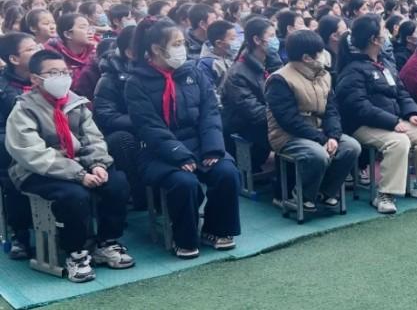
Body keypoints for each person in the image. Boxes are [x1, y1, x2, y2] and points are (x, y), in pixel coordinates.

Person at [6, 50, 134, 282]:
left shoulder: (76, 103)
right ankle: (76, 253)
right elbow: (33, 154)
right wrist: (79, 174)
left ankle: (107, 242)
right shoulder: (24, 109)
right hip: (37, 171)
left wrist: (98, 164)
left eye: (64, 72)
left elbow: (93, 138)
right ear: (35, 79)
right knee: (74, 196)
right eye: (53, 73)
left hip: (79, 163)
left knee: (117, 183)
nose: (61, 78)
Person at [126, 18, 241, 258]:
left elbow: (210, 112)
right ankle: (185, 239)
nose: (182, 49)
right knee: (184, 182)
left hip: (199, 144)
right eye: (176, 44)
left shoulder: (194, 72)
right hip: (158, 152)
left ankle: (216, 229)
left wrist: (212, 148)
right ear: (157, 49)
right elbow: (148, 126)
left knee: (227, 172)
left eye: (182, 43)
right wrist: (178, 154)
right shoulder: (136, 82)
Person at [337, 15, 417, 214]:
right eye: (383, 30)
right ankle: (384, 194)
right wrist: (393, 121)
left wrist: (411, 113)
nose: (387, 34)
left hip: (392, 120)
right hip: (363, 125)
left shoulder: (385, 63)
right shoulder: (352, 70)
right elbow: (359, 107)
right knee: (398, 142)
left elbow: (402, 93)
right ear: (374, 39)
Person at [266, 30, 360, 212]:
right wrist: (322, 139)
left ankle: (326, 191)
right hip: (288, 136)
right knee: (317, 154)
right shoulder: (279, 79)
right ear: (306, 58)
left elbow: (331, 109)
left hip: (320, 130)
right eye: (320, 52)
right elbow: (288, 120)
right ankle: (301, 195)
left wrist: (333, 136)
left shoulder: (324, 75)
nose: (324, 55)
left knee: (351, 147)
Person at [92, 26, 146, 209]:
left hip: (154, 126)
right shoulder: (109, 79)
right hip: (127, 130)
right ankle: (138, 195)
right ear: (130, 52)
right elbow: (106, 116)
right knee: (122, 141)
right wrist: (142, 122)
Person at [0, 33, 40, 260]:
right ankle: (20, 235)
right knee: (13, 176)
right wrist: (24, 144)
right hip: (12, 148)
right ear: (14, 59)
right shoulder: (3, 88)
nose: (38, 52)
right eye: (30, 49)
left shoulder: (45, 79)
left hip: (48, 144)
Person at [222, 17, 275, 172]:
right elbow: (253, 113)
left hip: (270, 120)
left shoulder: (272, 61)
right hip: (247, 127)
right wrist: (283, 115)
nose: (275, 40)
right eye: (271, 36)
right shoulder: (237, 74)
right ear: (257, 40)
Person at [47, 13, 99, 99]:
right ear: (68, 34)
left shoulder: (95, 54)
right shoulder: (53, 58)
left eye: (90, 27)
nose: (90, 32)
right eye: (83, 27)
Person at [198, 20, 240, 97]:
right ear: (219, 43)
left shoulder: (233, 56)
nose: (237, 42)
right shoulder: (206, 64)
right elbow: (209, 92)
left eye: (236, 38)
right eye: (232, 39)